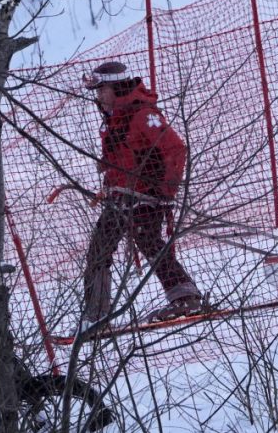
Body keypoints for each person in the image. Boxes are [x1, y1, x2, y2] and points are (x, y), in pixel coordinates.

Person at [80, 61, 203, 328]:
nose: (99, 96)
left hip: (148, 197)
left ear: (118, 87)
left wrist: (163, 190)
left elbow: (176, 150)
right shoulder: (114, 119)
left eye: (103, 90)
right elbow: (129, 154)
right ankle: (95, 317)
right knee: (99, 251)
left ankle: (186, 296)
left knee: (149, 241)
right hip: (119, 198)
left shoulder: (143, 115)